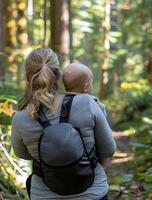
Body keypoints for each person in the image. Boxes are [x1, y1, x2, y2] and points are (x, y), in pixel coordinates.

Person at [11, 48, 116, 200]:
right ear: (58, 74)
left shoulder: (20, 118)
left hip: (43, 195)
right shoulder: (87, 102)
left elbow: (23, 154)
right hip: (93, 193)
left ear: (27, 77)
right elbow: (108, 150)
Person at [62, 63, 110, 168]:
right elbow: (108, 149)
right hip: (88, 167)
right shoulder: (94, 103)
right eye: (91, 84)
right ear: (86, 87)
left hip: (59, 164)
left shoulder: (56, 103)